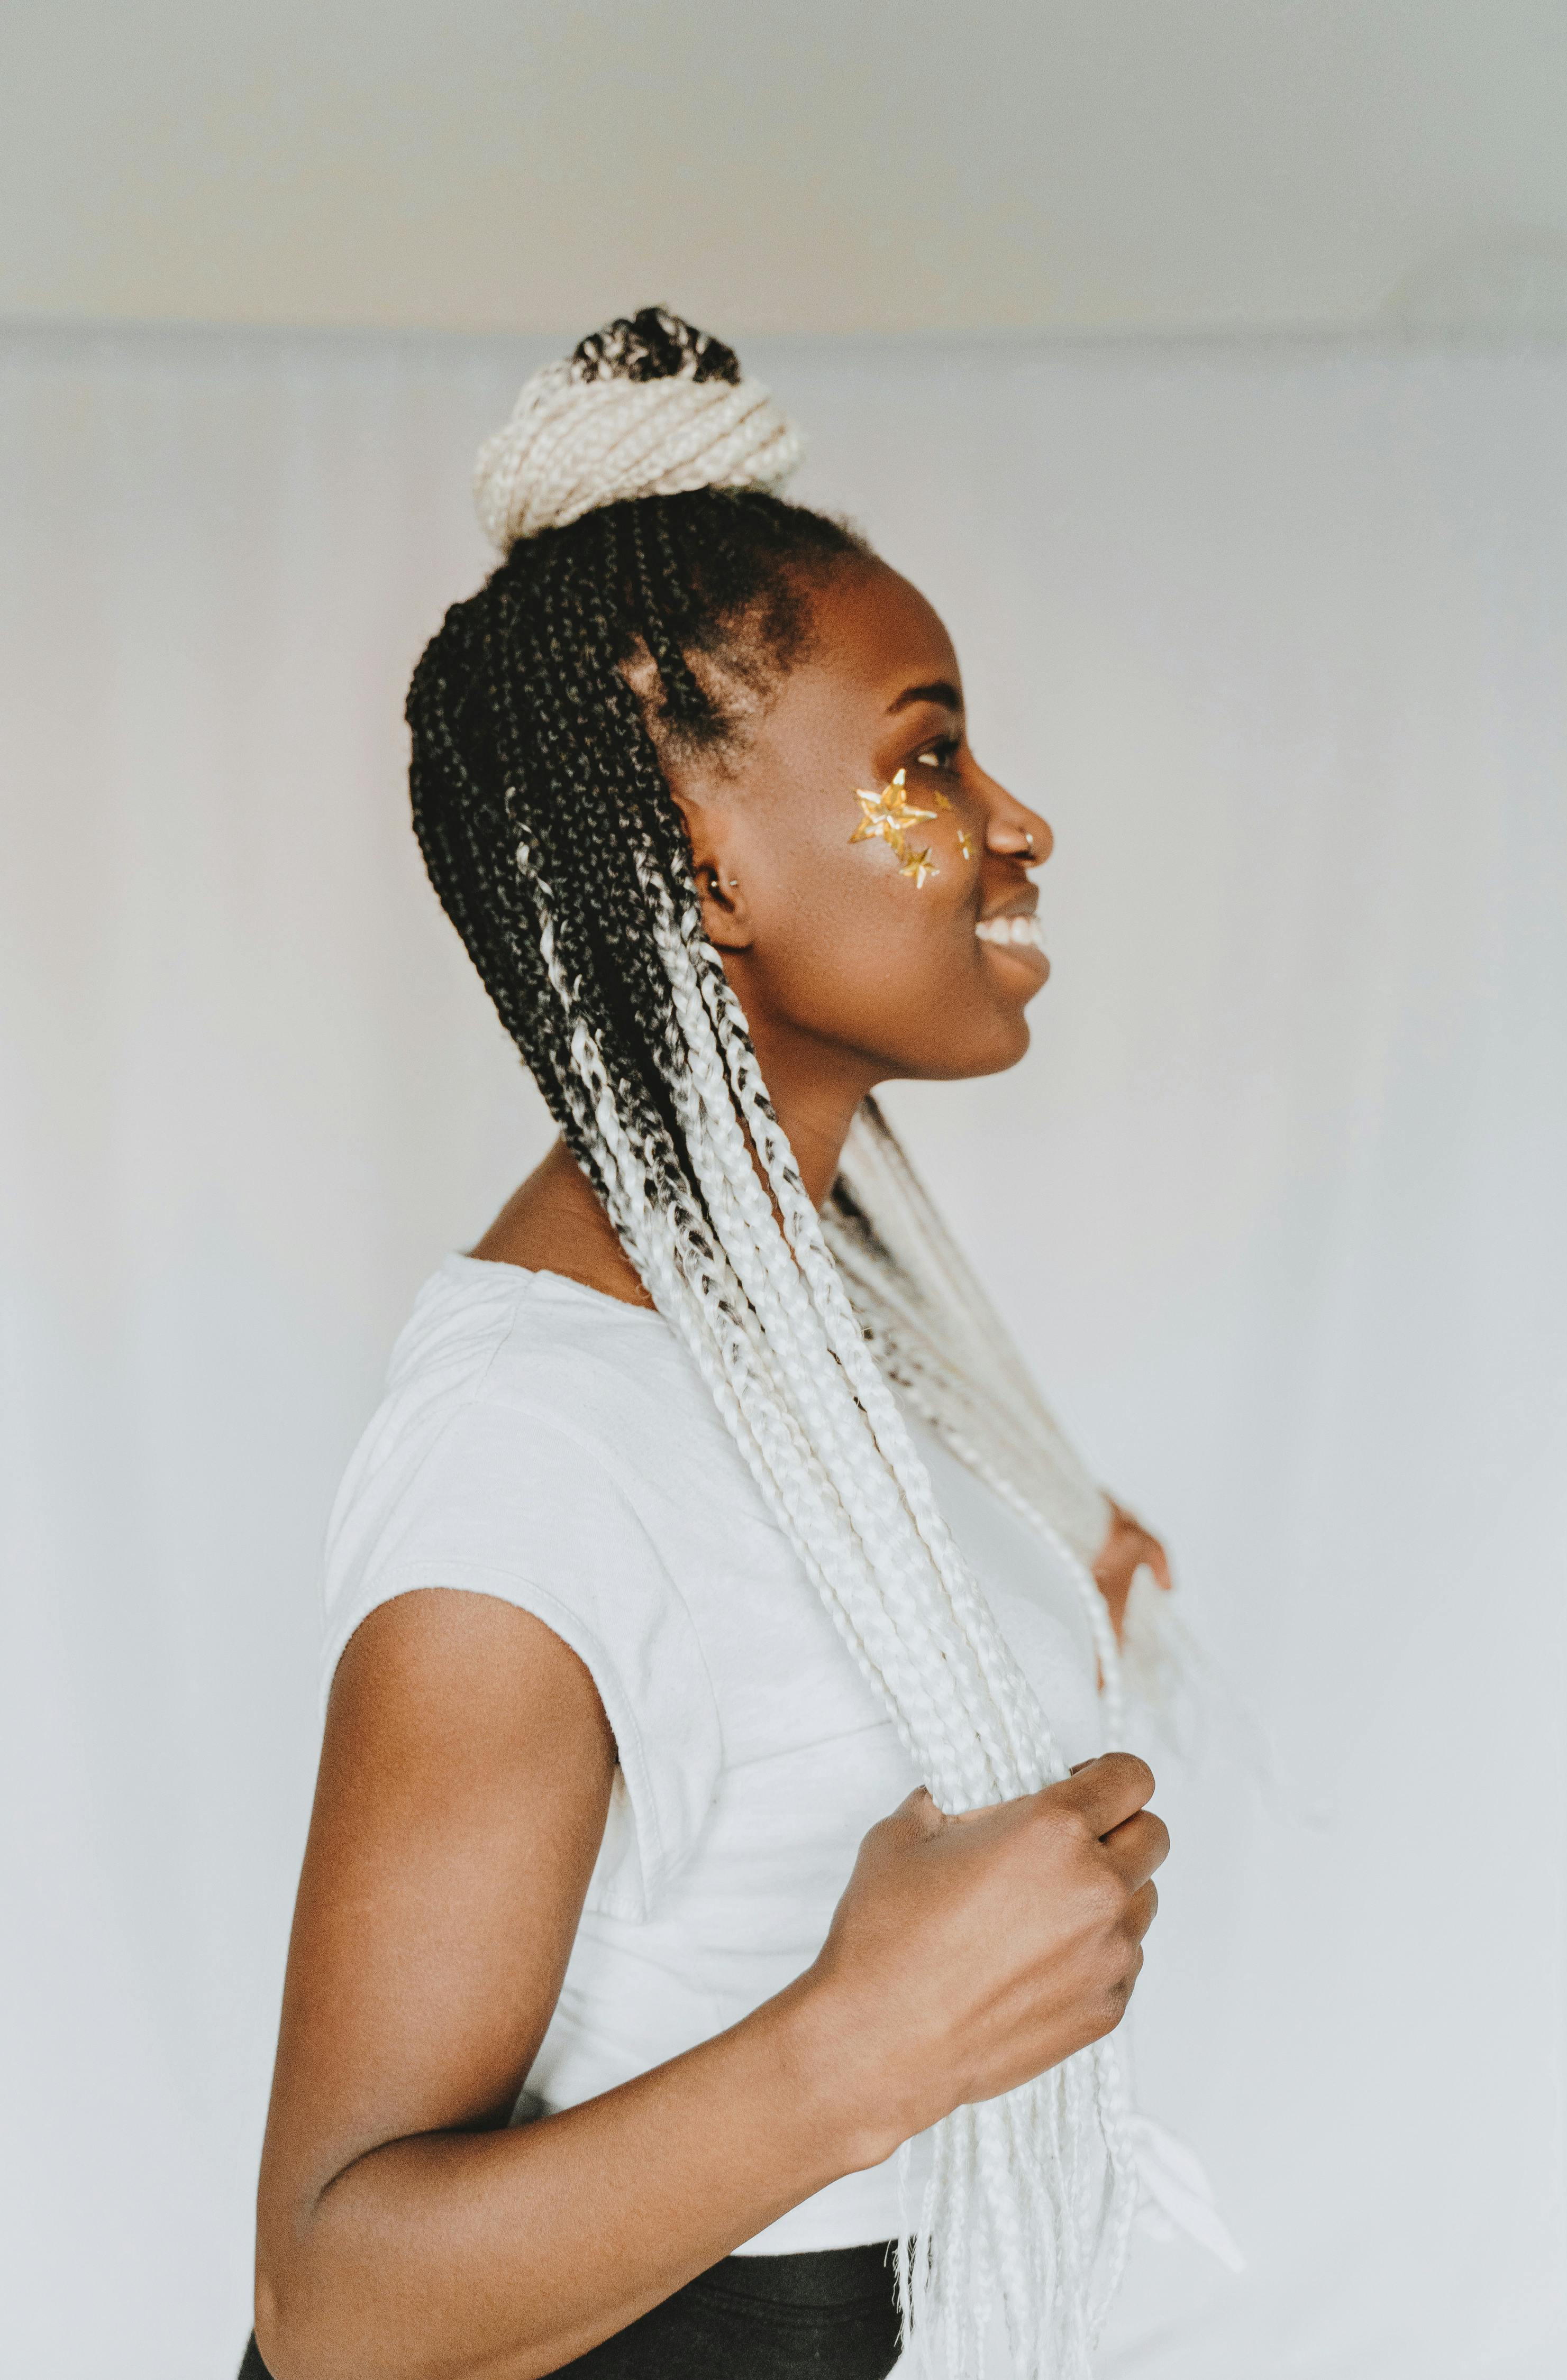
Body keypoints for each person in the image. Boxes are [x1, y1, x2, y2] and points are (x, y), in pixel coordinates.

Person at [248, 309, 1181, 2380]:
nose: (1016, 826)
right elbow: (330, 2303)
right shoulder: (533, 1443)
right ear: (702, 867)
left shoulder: (799, 1312)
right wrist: (871, 2044)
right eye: (930, 760)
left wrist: (1071, 1565)